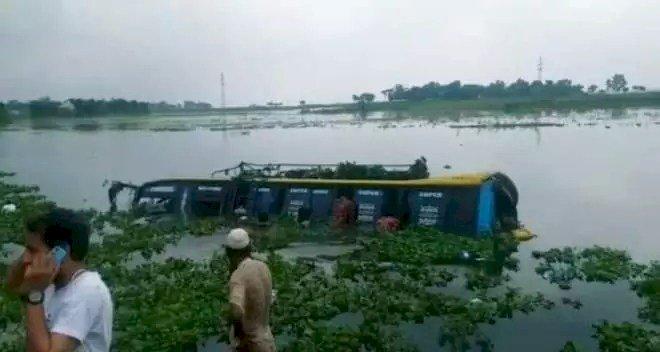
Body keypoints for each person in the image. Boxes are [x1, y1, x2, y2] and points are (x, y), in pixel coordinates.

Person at [5, 207, 113, 352]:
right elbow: (12, 286)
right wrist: (26, 260)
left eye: (32, 250)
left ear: (59, 253)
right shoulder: (50, 281)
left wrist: (35, 295)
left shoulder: (88, 290)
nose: (26, 258)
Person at [225, 228, 275, 352]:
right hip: (268, 340)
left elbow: (237, 310)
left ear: (229, 253)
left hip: (251, 345)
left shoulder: (238, 276)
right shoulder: (263, 267)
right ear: (249, 248)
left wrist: (237, 333)